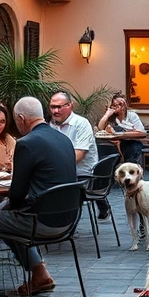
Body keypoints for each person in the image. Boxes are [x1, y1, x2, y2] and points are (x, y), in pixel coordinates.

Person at [0, 96, 78, 296]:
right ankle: (40, 274)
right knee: (9, 216)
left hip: (43, 222)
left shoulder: (27, 143)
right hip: (69, 219)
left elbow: (17, 195)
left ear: (21, 118)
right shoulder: (63, 138)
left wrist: (6, 205)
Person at [49, 91, 110, 219]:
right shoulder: (51, 125)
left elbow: (78, 155)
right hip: (60, 173)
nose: (55, 111)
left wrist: (51, 167)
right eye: (52, 107)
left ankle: (59, 224)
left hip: (81, 175)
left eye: (59, 107)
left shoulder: (81, 124)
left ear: (70, 106)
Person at [97, 93, 145, 165]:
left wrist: (122, 134)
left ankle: (131, 169)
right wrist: (107, 114)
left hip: (130, 142)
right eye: (115, 105)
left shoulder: (131, 115)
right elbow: (100, 127)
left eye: (121, 104)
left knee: (134, 147)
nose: (119, 107)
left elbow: (141, 132)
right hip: (113, 143)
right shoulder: (111, 117)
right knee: (103, 148)